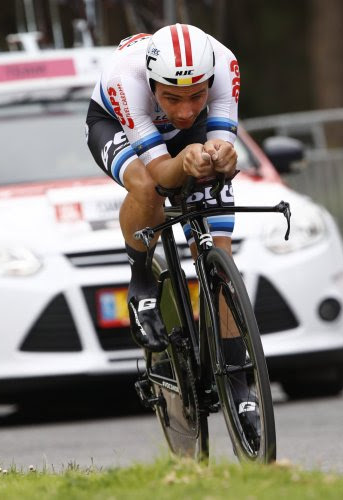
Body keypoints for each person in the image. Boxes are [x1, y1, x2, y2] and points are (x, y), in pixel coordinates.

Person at [85, 24, 257, 433]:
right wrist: (184, 163)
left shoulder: (225, 63)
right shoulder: (125, 78)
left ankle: (239, 382)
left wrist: (222, 156)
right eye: (172, 97)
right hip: (114, 124)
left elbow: (220, 142)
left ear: (210, 81)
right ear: (152, 84)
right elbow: (162, 173)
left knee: (218, 253)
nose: (184, 109)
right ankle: (141, 280)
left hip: (189, 139)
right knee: (147, 187)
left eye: (197, 95)